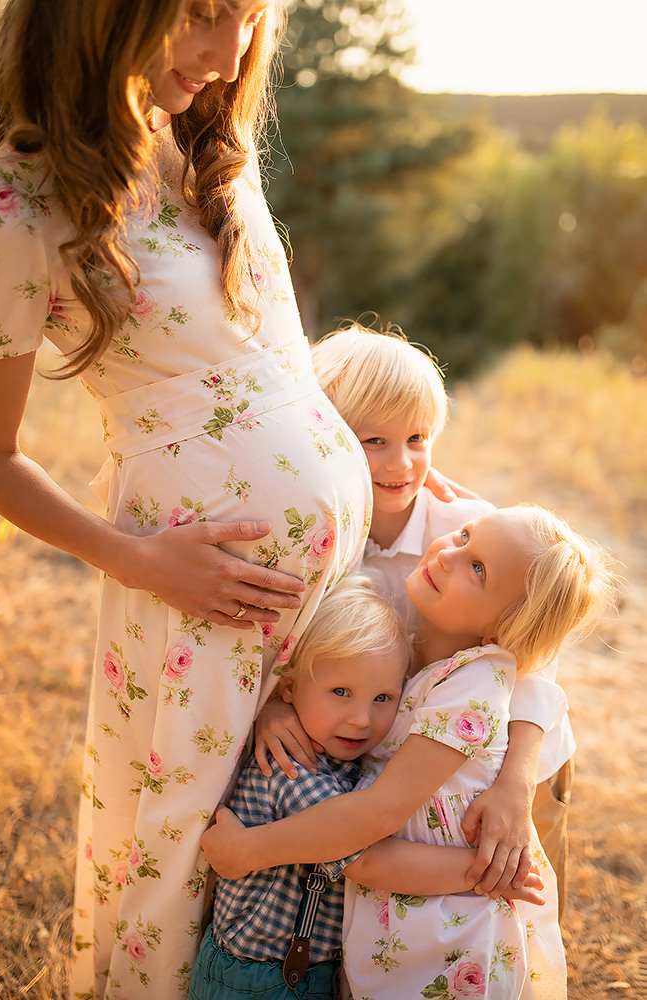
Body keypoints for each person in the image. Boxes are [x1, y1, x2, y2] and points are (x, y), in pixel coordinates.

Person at [0, 3, 376, 997]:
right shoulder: (17, 203)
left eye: (247, 19)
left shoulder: (202, 147)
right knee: (179, 847)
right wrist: (138, 558)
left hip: (314, 598)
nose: (230, 53)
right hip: (193, 587)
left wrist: (388, 470)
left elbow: (276, 362)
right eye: (203, 14)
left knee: (293, 828)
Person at [200, 505, 616, 998]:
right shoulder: (415, 651)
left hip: (452, 935)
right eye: (463, 536)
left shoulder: (473, 688)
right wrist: (277, 702)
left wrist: (251, 850)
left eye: (477, 569)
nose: (448, 555)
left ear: (503, 628)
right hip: (398, 926)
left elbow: (378, 814)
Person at [258, 323, 576, 911]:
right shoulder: (311, 536)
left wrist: (514, 784)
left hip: (501, 758)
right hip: (408, 770)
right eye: (372, 440)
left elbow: (536, 663)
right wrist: (278, 705)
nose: (402, 464)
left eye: (418, 438)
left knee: (523, 896)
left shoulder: (464, 530)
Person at [190, 575, 545, 1000]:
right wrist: (485, 875)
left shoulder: (349, 762)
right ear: (289, 689)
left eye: (382, 698)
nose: (362, 718)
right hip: (260, 977)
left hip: (301, 969)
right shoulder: (294, 769)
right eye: (341, 692)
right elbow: (370, 862)